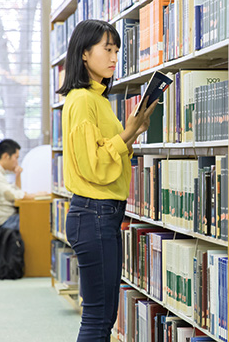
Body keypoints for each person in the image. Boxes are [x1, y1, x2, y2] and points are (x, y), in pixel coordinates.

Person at [58, 20, 157, 341]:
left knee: (104, 314)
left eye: (116, 50)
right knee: (98, 318)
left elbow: (107, 156)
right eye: (107, 49)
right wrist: (128, 132)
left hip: (102, 213)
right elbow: (94, 167)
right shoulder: (83, 100)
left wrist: (132, 133)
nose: (114, 57)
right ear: (84, 54)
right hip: (93, 212)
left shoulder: (98, 99)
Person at [0, 138, 47, 228]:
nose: (17, 162)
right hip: (5, 220)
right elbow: (11, 194)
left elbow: (15, 191)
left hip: (9, 217)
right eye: (16, 157)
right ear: (6, 156)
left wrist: (18, 175)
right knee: (36, 223)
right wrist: (35, 195)